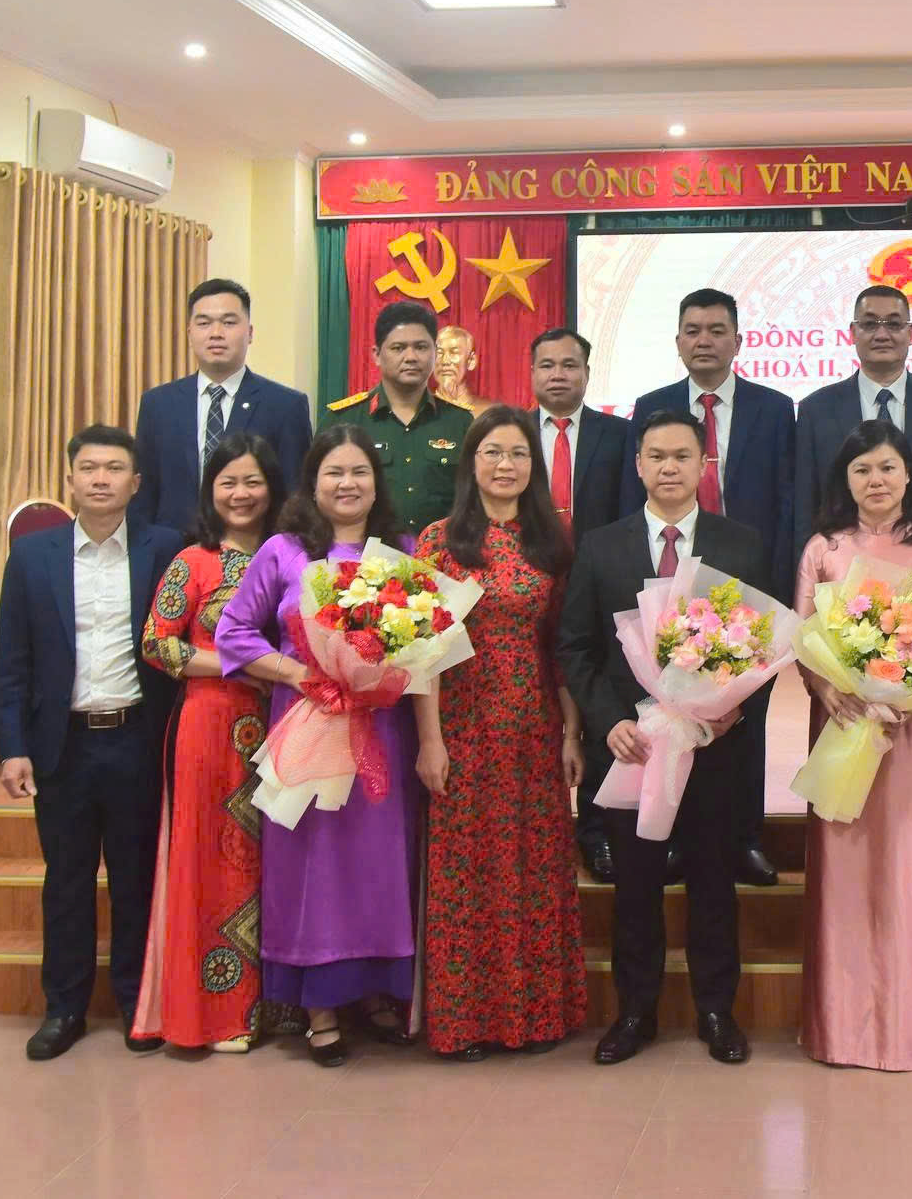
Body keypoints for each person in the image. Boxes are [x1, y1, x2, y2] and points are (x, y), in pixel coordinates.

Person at [562, 409, 769, 1066]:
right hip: (634, 749)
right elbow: (577, 648)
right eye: (657, 456)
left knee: (713, 883)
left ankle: (717, 1011)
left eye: (683, 455)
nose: (670, 467)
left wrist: (730, 713)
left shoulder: (741, 546)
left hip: (713, 748)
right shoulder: (601, 546)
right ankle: (635, 1012)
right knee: (636, 886)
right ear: (639, 465)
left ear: (704, 464)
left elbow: (766, 650)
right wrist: (611, 723)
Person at [214, 426, 418, 1065]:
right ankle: (319, 1009)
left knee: (379, 864)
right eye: (334, 472)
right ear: (312, 482)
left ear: (376, 484)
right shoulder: (283, 552)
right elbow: (234, 632)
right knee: (314, 864)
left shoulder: (401, 552)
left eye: (360, 472)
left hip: (380, 731)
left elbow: (425, 644)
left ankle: (377, 993)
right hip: (308, 726)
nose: (347, 484)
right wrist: (301, 672)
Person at [0, 424, 185, 1061]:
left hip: (137, 739)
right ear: (71, 478)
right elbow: (12, 661)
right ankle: (64, 1009)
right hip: (63, 745)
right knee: (67, 882)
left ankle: (136, 1003)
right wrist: (13, 747)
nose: (101, 479)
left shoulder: (165, 548)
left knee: (136, 879)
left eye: (114, 468)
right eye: (89, 468)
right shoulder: (33, 557)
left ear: (136, 481)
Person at [792, 420, 912, 1071]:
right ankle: (842, 1030)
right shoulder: (824, 550)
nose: (876, 480)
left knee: (910, 872)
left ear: (908, 474)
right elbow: (803, 636)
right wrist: (826, 688)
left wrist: (911, 693)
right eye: (863, 469)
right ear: (844, 478)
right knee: (844, 871)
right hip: (843, 727)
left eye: (888, 467)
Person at [411, 406, 587, 1060]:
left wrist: (572, 732)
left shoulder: (551, 542)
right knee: (467, 874)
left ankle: (535, 1018)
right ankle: (466, 1022)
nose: (505, 465)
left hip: (533, 729)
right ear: (472, 462)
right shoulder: (439, 541)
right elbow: (420, 649)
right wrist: (430, 740)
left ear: (533, 466)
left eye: (517, 453)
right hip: (462, 725)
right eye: (492, 452)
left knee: (533, 872)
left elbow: (561, 646)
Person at [622, 288, 796, 886]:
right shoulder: (651, 406)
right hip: (667, 582)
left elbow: (787, 500)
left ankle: (744, 838)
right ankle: (669, 835)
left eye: (717, 330)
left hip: (745, 585)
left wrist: (776, 590)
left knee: (745, 717)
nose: (704, 340)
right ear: (678, 341)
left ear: (738, 341)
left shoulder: (775, 409)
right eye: (693, 330)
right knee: (669, 714)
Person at [131, 434, 285, 1054]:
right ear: (210, 490)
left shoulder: (292, 556)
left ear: (273, 488)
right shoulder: (191, 561)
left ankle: (281, 1007)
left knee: (280, 866)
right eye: (228, 482)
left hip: (287, 726)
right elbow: (156, 642)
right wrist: (237, 664)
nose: (241, 494)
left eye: (253, 481)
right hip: (211, 728)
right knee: (210, 865)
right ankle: (215, 1014)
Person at [530, 325, 634, 883]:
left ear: (588, 374)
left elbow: (627, 513)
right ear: (532, 373)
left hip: (595, 586)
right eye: (547, 365)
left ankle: (596, 833)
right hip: (525, 583)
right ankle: (535, 833)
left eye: (569, 365)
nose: (558, 375)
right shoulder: (512, 434)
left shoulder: (618, 435)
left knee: (598, 707)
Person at [791, 284, 912, 570]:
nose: (881, 334)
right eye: (869, 324)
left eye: (893, 324)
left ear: (910, 333)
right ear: (853, 333)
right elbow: (805, 506)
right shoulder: (816, 409)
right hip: (843, 575)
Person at [131, 278, 312, 535]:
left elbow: (295, 495)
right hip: (172, 550)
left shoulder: (286, 405)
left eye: (228, 322)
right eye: (204, 323)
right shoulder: (157, 404)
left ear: (250, 333)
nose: (216, 333)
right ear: (189, 333)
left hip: (255, 549)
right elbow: (144, 494)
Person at [326, 300, 473, 532]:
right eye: (398, 348)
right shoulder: (343, 420)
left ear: (435, 353)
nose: (411, 357)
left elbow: (474, 501)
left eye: (421, 347)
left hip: (442, 552)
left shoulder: (460, 422)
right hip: (362, 553)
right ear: (376, 355)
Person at [433, 322, 486, 412]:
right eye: (439, 353)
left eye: (454, 353)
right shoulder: (416, 410)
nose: (445, 361)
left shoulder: (487, 412)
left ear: (471, 361)